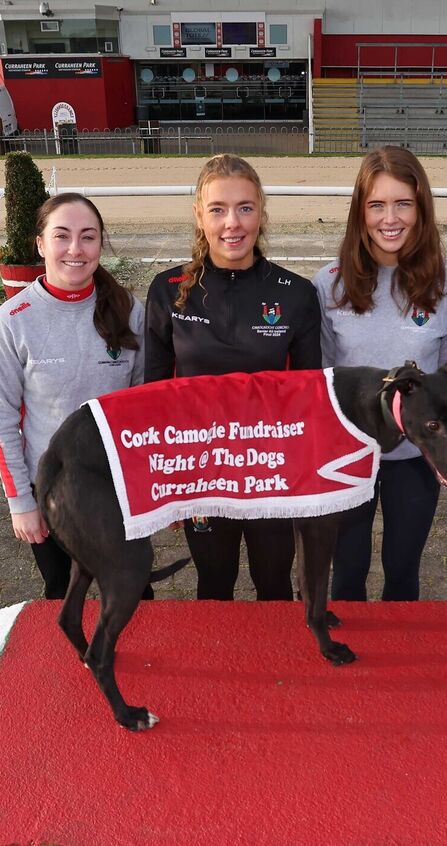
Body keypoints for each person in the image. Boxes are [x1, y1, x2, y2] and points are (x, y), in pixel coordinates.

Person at [144, 153, 321, 601]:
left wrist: (304, 479)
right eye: (218, 209)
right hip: (202, 476)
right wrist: (164, 483)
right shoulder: (168, 291)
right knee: (215, 582)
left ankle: (279, 669)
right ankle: (219, 669)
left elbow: (309, 396)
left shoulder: (297, 294)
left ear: (261, 213)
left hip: (271, 474)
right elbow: (155, 395)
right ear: (199, 216)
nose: (232, 224)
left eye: (245, 208)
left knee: (275, 583)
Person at [312, 146, 447, 601]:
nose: (390, 218)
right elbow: (324, 383)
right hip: (348, 460)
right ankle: (348, 662)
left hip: (414, 463)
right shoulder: (328, 285)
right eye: (377, 205)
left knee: (402, 573)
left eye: (403, 203)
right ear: (360, 212)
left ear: (421, 209)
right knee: (346, 575)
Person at [0, 193, 145, 599]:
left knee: (132, 589)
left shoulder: (129, 310)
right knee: (63, 591)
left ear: (100, 244)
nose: (76, 249)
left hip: (116, 487)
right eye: (62, 236)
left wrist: (150, 486)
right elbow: (0, 422)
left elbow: (145, 407)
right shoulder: (11, 323)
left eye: (88, 237)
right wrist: (21, 501)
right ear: (40, 244)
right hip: (51, 488)